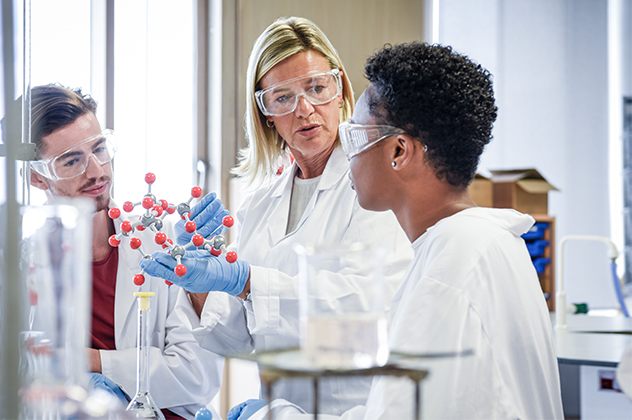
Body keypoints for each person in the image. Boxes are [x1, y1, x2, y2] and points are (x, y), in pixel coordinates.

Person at [235, 42, 565, 419]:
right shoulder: (480, 243)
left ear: (399, 152)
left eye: (355, 136)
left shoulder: (449, 267)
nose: (347, 152)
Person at [140, 17, 413, 417]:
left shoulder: (375, 188)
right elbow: (233, 336)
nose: (305, 110)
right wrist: (195, 276)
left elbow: (364, 311)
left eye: (317, 88)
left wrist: (248, 281)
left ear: (340, 91)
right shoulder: (260, 203)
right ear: (265, 112)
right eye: (281, 97)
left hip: (359, 408)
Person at [0, 84, 226, 420]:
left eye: (100, 149)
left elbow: (196, 378)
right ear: (36, 177)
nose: (97, 170)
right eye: (72, 161)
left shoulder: (163, 242)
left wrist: (91, 361)